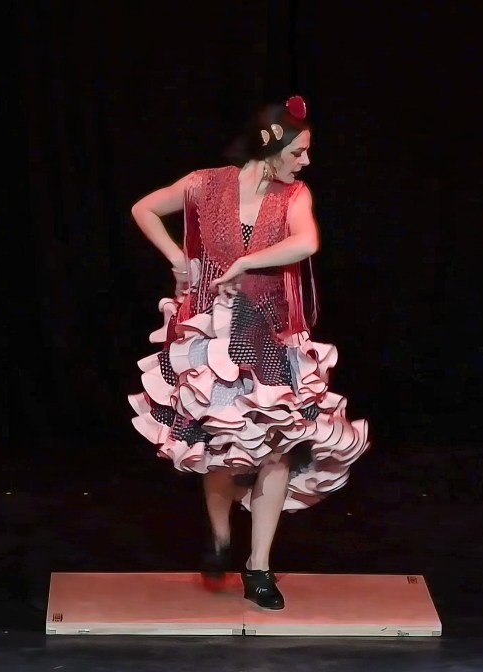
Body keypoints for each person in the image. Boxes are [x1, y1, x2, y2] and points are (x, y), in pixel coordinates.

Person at [127, 96, 369, 610]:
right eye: (298, 151)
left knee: (277, 448)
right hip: (212, 337)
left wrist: (246, 263)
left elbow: (306, 242)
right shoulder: (204, 183)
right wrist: (177, 259)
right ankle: (219, 538)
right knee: (220, 445)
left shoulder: (294, 194)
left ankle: (259, 566)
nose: (305, 162)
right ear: (271, 145)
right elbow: (143, 207)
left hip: (268, 335)